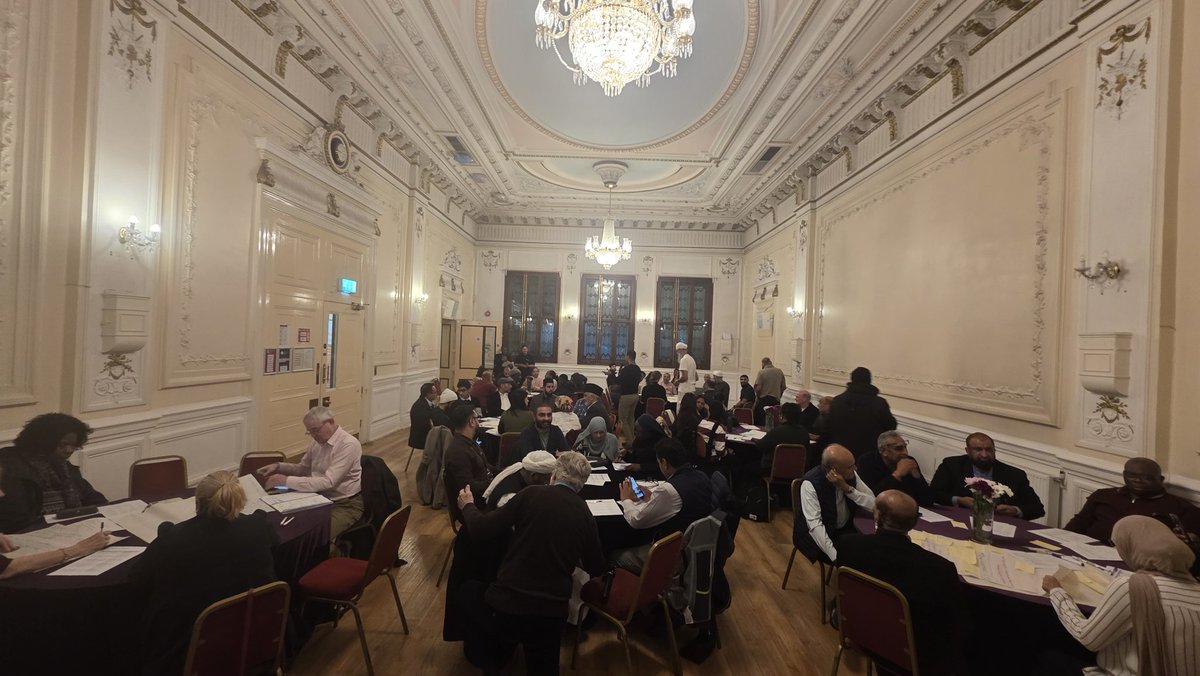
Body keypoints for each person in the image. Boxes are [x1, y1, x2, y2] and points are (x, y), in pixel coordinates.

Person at [456, 452, 607, 676]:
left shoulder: (530, 494)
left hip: (507, 606)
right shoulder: (585, 514)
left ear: (553, 475)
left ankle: (490, 658)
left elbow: (480, 529)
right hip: (550, 616)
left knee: (467, 591)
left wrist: (468, 505)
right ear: (582, 484)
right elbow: (597, 567)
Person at [130, 470, 278, 676]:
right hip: (254, 638)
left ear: (197, 503)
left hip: (183, 648)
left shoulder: (173, 539)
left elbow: (138, 579)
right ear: (239, 501)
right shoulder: (258, 526)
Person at [1042, 515, 1200, 676]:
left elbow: (1087, 638)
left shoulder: (1133, 587)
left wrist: (1056, 592)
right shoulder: (1195, 588)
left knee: (1044, 653)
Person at [837, 490, 971, 676]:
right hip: (913, 654)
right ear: (914, 522)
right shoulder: (939, 569)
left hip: (860, 633)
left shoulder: (848, 545)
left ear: (877, 516)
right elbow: (957, 625)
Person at [261, 406, 363, 543]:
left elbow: (329, 482)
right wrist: (279, 466)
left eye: (315, 430)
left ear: (331, 422)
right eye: (310, 432)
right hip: (318, 498)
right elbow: (303, 469)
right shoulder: (317, 442)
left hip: (345, 504)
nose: (314, 435)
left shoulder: (348, 444)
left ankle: (336, 552)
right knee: (286, 524)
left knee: (314, 536)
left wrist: (286, 481)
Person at [613, 438, 716, 572]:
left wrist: (626, 500)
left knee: (614, 555)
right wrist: (651, 497)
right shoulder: (702, 476)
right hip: (696, 548)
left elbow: (636, 521)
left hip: (671, 554)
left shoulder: (669, 490)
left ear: (664, 463)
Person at [0, 413, 107, 532]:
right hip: (32, 531)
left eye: (74, 445)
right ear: (44, 441)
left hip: (69, 526)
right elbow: (15, 519)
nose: (69, 450)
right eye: (63, 444)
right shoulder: (10, 466)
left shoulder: (63, 465)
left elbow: (92, 496)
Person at [1065, 458, 1200, 546]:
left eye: (1147, 478)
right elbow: (1079, 523)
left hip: (1140, 563)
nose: (1138, 481)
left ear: (1161, 479)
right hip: (1089, 551)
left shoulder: (1180, 507)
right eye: (1132, 476)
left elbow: (1189, 545)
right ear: (1124, 476)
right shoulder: (1103, 495)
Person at [930, 432, 1045, 520]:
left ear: (994, 450)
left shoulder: (1014, 475)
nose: (984, 454)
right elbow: (934, 494)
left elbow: (1037, 508)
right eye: (978, 450)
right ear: (968, 451)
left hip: (1000, 523)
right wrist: (959, 500)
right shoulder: (952, 465)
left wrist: (1015, 510)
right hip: (959, 518)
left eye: (989, 450)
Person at [793, 444, 876, 564]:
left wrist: (847, 489)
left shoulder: (851, 475)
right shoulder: (811, 483)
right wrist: (835, 557)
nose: (855, 469)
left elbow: (874, 505)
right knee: (859, 560)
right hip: (818, 537)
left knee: (871, 552)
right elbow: (815, 526)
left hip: (845, 530)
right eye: (850, 466)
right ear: (834, 470)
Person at [824, 366, 897, 458]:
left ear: (852, 379)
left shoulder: (837, 401)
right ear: (869, 380)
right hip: (870, 455)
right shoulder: (879, 403)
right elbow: (891, 426)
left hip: (842, 454)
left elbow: (828, 428)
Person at [442, 403, 493, 523]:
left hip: (483, 495)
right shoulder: (458, 452)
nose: (478, 421)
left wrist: (504, 472)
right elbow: (467, 487)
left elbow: (485, 466)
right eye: (477, 418)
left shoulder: (468, 442)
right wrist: (493, 483)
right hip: (475, 508)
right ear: (471, 421)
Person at [857, 431, 934, 507]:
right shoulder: (866, 461)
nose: (905, 452)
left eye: (905, 447)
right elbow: (871, 497)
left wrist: (917, 476)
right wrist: (897, 474)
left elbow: (928, 501)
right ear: (884, 451)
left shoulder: (909, 461)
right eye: (898, 448)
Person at [481, 450, 557, 510]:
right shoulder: (509, 498)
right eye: (546, 480)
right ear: (534, 476)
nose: (548, 483)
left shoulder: (520, 469)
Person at [756, 402, 811, 472]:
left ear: (782, 415)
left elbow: (760, 445)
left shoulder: (777, 431)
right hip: (796, 470)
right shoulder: (804, 432)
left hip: (773, 469)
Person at [613, 351, 644, 448]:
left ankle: (631, 441)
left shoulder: (626, 369)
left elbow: (618, 380)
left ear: (628, 357)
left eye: (625, 356)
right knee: (631, 418)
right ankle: (632, 439)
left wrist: (611, 374)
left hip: (626, 396)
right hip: (635, 395)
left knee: (622, 419)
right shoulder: (637, 368)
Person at [409, 382, 449, 452]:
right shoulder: (419, 406)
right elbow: (426, 424)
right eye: (435, 392)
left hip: (425, 433)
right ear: (428, 394)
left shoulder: (427, 402)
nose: (437, 394)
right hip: (420, 438)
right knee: (445, 438)